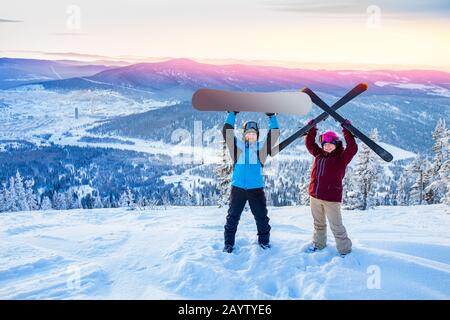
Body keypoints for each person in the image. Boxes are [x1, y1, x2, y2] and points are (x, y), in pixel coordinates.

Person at [222, 111, 280, 253]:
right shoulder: (237, 148)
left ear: (257, 135)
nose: (251, 136)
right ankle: (228, 244)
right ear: (244, 135)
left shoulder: (261, 149)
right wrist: (232, 114)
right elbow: (227, 132)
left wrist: (272, 117)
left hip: (256, 189)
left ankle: (264, 242)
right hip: (238, 188)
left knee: (261, 217)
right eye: (248, 133)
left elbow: (274, 134)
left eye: (254, 133)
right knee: (232, 218)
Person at [305, 119, 357, 256]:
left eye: (330, 144)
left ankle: (345, 250)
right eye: (325, 144)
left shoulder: (341, 158)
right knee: (318, 224)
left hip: (331, 199)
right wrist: (312, 129)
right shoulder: (319, 154)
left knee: (337, 226)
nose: (327, 147)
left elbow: (352, 148)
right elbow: (309, 144)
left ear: (336, 144)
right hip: (314, 196)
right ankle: (319, 244)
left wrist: (347, 130)